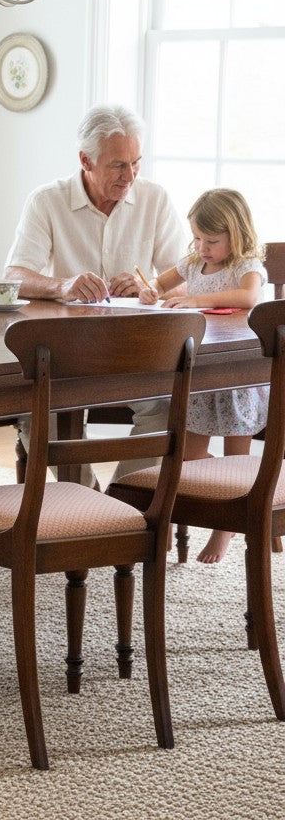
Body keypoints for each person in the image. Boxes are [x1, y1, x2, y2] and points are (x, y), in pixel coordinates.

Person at [3, 103, 186, 483]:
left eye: (137, 162)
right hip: (66, 351)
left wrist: (149, 286)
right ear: (86, 160)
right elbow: (14, 275)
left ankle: (125, 506)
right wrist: (62, 286)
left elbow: (185, 277)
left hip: (140, 349)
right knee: (37, 413)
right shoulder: (47, 200)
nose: (130, 175)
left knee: (170, 406)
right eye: (118, 165)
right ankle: (87, 504)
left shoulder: (156, 199)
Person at [139, 188, 268, 563]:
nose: (202, 247)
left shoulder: (247, 267)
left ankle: (226, 525)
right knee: (188, 454)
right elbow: (159, 283)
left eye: (211, 240)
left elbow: (249, 299)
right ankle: (228, 498)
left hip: (236, 371)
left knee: (236, 457)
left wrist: (195, 300)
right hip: (197, 372)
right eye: (196, 238)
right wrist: (150, 291)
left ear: (237, 233)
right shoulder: (194, 262)